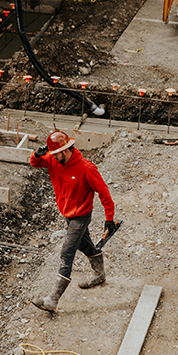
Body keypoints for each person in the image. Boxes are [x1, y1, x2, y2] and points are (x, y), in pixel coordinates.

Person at [30, 131, 118, 312]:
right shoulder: (55, 160)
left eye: (56, 154)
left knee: (67, 251)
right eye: (51, 154)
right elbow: (36, 163)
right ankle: (99, 274)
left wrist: (109, 220)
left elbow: (104, 194)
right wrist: (36, 154)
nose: (52, 157)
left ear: (66, 149)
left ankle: (52, 300)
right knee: (83, 244)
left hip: (81, 216)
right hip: (67, 213)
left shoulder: (86, 168)